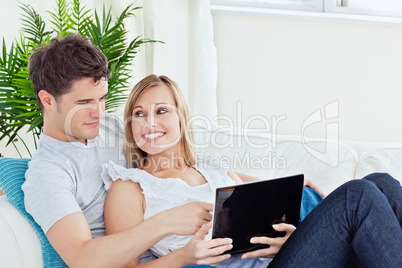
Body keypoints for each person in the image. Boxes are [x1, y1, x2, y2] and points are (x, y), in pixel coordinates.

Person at [102, 74, 402, 268]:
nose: (149, 123)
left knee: (381, 182)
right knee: (357, 196)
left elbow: (268, 200)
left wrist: (291, 234)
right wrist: (184, 256)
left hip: (279, 258)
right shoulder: (130, 187)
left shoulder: (212, 166)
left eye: (161, 110)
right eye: (138, 114)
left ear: (181, 117)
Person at [21, 34, 217, 267]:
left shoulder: (114, 127)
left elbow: (191, 164)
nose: (99, 113)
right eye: (84, 103)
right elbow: (82, 259)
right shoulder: (47, 174)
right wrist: (166, 222)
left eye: (102, 98)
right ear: (48, 101)